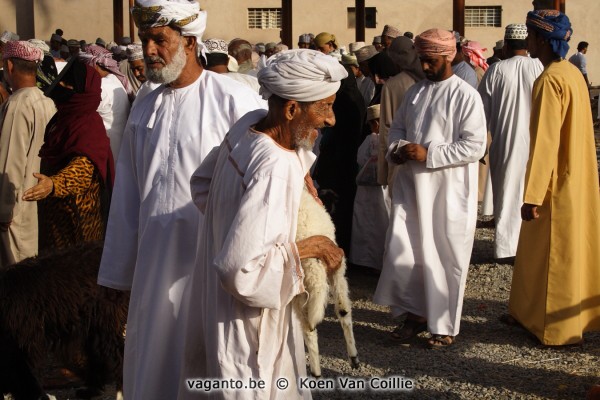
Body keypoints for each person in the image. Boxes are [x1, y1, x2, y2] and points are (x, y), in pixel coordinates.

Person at [96, 0, 266, 398]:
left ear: (190, 43)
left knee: (211, 360)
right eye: (145, 40)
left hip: (212, 259)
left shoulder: (234, 99)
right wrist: (116, 273)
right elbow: (128, 195)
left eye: (160, 40)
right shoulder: (145, 105)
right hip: (154, 261)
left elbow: (269, 169)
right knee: (153, 358)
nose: (149, 50)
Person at [178, 48, 346, 400]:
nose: (330, 119)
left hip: (216, 304)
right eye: (324, 106)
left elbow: (202, 183)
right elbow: (241, 271)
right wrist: (310, 246)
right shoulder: (274, 167)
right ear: (291, 108)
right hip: (247, 321)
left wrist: (233, 230)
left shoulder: (249, 125)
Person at [373, 28, 486, 348]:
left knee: (445, 255)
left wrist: (429, 154)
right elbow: (396, 131)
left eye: (431, 61)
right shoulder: (415, 93)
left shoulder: (466, 95)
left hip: (448, 192)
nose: (424, 67)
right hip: (412, 189)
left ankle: (444, 325)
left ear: (448, 56)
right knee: (409, 253)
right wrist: (401, 149)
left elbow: (474, 146)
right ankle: (414, 316)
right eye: (422, 60)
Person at [507, 10, 600, 346]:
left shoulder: (549, 80)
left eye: (531, 36)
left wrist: (532, 195)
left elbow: (545, 142)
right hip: (577, 177)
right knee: (558, 252)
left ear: (542, 40)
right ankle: (528, 312)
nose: (528, 41)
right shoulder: (572, 73)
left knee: (556, 256)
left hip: (557, 182)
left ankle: (555, 328)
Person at [23, 59, 114, 253]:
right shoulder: (64, 119)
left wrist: (54, 184)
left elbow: (83, 168)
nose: (62, 87)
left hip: (78, 217)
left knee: (73, 271)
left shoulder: (87, 125)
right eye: (62, 82)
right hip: (55, 213)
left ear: (83, 91)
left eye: (69, 84)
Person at [478, 24, 543, 260]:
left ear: (506, 45)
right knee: (532, 194)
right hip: (536, 144)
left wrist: (479, 147)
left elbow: (481, 114)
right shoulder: (539, 67)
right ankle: (532, 248)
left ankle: (506, 249)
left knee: (506, 195)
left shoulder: (495, 70)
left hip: (504, 143)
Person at [0, 41, 56, 268]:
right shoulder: (46, 100)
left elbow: (10, 161)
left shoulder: (18, 104)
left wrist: (3, 211)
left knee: (16, 273)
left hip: (16, 204)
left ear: (10, 66)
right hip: (37, 198)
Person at [377, 36, 425, 187]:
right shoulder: (432, 81)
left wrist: (383, 172)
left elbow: (386, 128)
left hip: (401, 158)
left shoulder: (392, 86)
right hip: (427, 157)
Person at [349, 104, 390, 270]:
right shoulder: (390, 139)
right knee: (383, 221)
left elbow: (360, 158)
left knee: (364, 224)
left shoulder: (369, 140)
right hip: (383, 189)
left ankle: (363, 261)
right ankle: (381, 261)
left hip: (366, 191)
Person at [79, 44, 132, 160]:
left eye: (86, 66)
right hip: (118, 146)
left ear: (96, 65)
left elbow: (80, 111)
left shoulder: (102, 86)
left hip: (108, 149)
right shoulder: (114, 80)